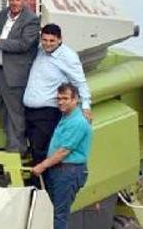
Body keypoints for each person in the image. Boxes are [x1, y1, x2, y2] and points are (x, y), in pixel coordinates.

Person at [31, 83, 92, 229]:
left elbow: (63, 151)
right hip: (60, 171)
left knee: (59, 215)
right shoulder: (66, 118)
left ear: (76, 99)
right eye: (58, 99)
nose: (61, 102)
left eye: (65, 98)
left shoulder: (78, 122)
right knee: (55, 214)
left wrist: (41, 166)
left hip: (68, 171)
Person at [24, 23, 92, 166]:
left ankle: (44, 185)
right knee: (31, 151)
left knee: (41, 152)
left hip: (47, 112)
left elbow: (80, 82)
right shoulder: (40, 51)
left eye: (52, 41)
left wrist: (86, 106)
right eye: (44, 40)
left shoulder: (68, 56)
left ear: (60, 40)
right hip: (30, 110)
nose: (47, 44)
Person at [0, 0, 40, 153]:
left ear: (25, 0)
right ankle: (10, 145)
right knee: (3, 111)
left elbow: (24, 44)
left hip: (16, 74)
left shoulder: (31, 19)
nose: (14, 3)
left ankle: (18, 149)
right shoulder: (3, 15)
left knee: (15, 113)